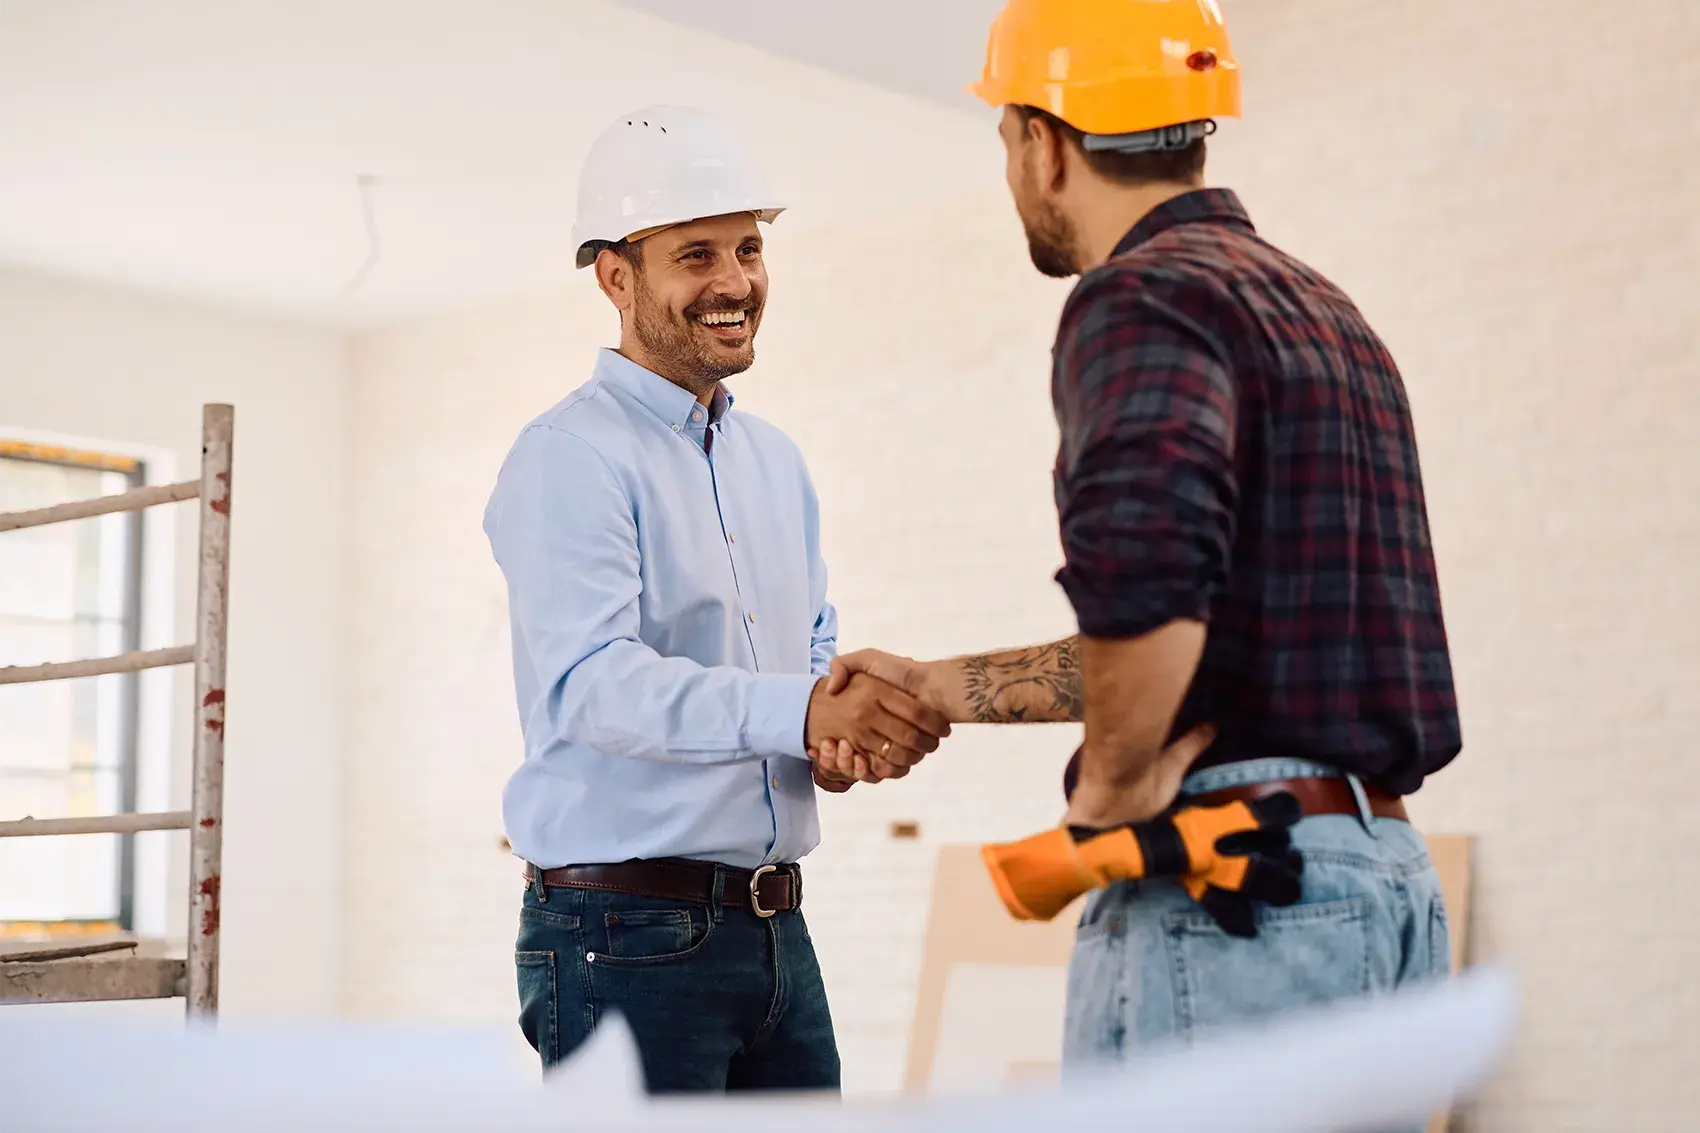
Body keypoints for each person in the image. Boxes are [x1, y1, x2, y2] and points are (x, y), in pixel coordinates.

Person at [814, 0, 1462, 1097]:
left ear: (1042, 140)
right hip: (1378, 882)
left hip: (1237, 893)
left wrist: (1107, 792)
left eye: (1007, 142)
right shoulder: (1321, 311)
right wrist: (935, 685)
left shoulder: (1139, 298)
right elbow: (1192, 635)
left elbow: (1150, 593)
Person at [483, 105, 951, 1094]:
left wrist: (834, 736)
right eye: (695, 254)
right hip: (624, 935)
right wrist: (801, 707)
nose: (735, 281)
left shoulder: (774, 461)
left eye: (747, 247)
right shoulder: (569, 456)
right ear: (615, 276)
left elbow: (805, 651)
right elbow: (592, 685)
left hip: (773, 924)